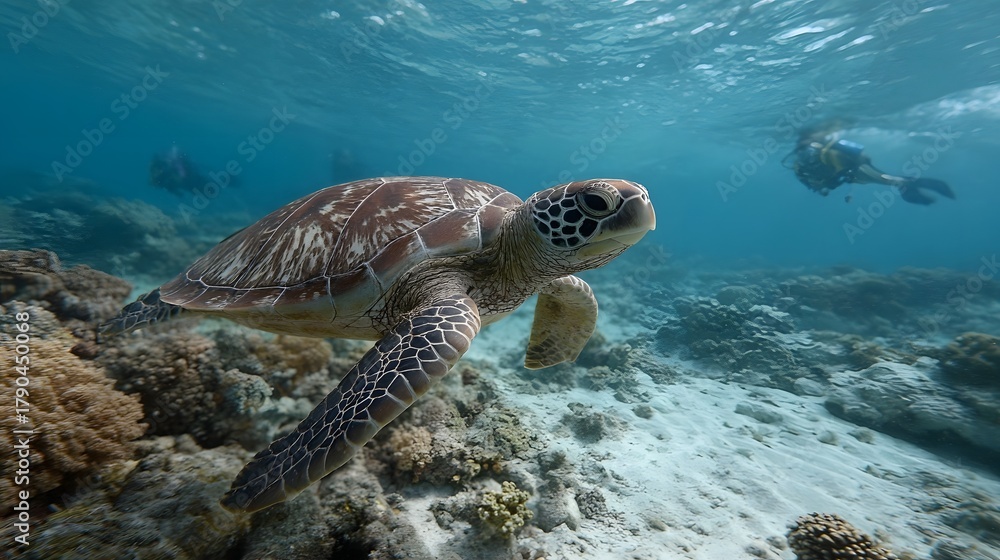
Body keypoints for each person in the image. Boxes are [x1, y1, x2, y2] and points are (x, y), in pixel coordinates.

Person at [784, 123, 955, 205]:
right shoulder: (800, 167)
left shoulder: (823, 153)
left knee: (886, 180)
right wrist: (824, 186)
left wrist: (834, 180)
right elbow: (816, 186)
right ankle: (911, 186)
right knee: (885, 179)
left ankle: (915, 186)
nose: (806, 155)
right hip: (853, 173)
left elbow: (842, 168)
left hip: (856, 169)